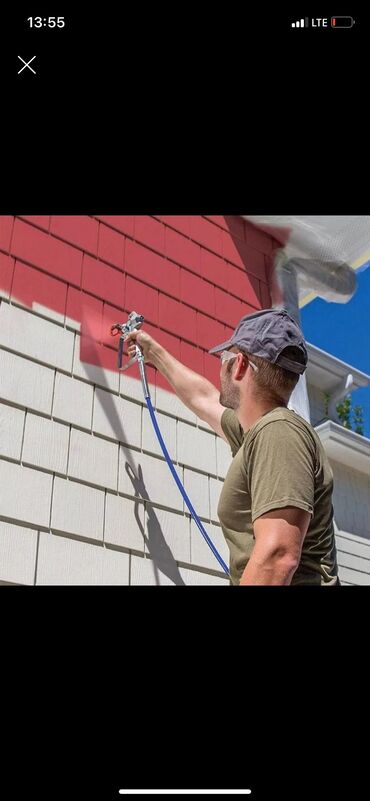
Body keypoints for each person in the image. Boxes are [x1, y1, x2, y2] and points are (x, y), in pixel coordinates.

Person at [126, 308, 340, 586]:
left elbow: (278, 557)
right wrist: (153, 352)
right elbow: (204, 399)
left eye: (224, 358)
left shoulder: (278, 433)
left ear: (238, 364)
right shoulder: (260, 435)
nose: (221, 366)